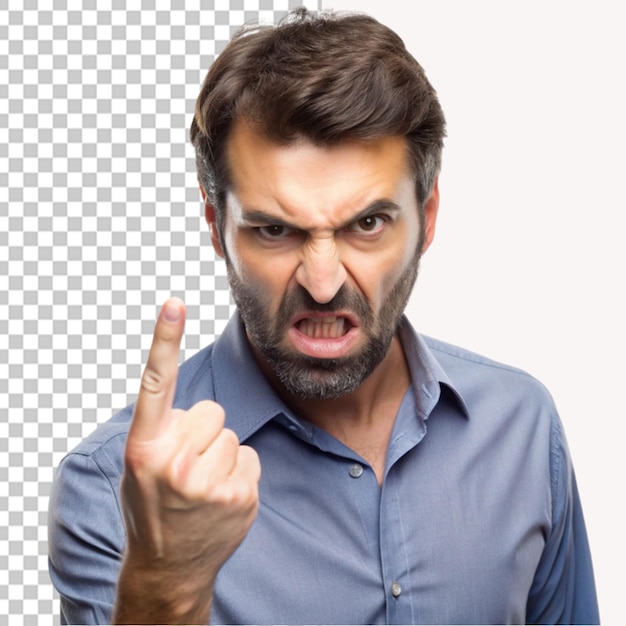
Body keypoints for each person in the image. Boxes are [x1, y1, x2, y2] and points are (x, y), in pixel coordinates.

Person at [48, 7, 599, 625]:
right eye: (275, 230)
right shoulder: (116, 493)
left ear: (428, 216)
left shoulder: (521, 427)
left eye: (367, 223)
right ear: (216, 227)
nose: (323, 280)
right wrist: (165, 584)